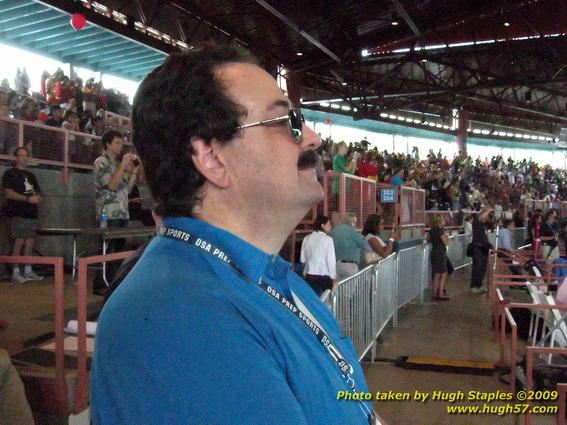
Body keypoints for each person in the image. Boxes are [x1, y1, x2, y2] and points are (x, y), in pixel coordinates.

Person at [90, 45, 376, 424]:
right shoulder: (177, 319)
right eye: (284, 122)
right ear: (212, 158)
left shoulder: (272, 276)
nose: (311, 138)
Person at [92, 130, 138, 296]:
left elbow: (128, 189)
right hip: (108, 212)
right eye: (117, 142)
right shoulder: (101, 162)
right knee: (106, 248)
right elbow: (111, 185)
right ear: (107, 144)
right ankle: (100, 282)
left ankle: (113, 281)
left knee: (118, 249)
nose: (120, 146)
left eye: (121, 142)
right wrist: (122, 166)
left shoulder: (118, 164)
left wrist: (133, 172)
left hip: (121, 212)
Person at [2, 147, 44, 284]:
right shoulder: (10, 173)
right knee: (18, 241)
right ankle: (15, 271)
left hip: (31, 212)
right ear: (16, 158)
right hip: (18, 212)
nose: (24, 158)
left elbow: (38, 191)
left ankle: (28, 269)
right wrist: (27, 199)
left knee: (30, 241)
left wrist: (38, 198)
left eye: (26, 155)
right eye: (21, 155)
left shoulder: (31, 175)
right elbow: (9, 193)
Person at [300, 215, 336, 296]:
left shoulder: (307, 238)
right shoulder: (328, 239)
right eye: (329, 224)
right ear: (322, 225)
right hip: (324, 278)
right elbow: (331, 261)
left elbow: (302, 259)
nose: (331, 226)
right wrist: (333, 277)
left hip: (309, 276)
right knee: (324, 302)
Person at [330, 212, 367, 280]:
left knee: (337, 289)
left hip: (336, 265)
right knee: (349, 289)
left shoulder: (333, 231)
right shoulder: (352, 232)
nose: (355, 224)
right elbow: (364, 244)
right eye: (355, 222)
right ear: (352, 221)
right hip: (350, 265)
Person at [470, 208, 494, 294]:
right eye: (487, 215)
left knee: (483, 268)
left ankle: (479, 284)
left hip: (484, 248)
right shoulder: (476, 221)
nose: (487, 216)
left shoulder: (483, 224)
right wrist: (489, 209)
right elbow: (482, 216)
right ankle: (474, 286)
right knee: (477, 267)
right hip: (477, 248)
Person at [427, 216, 449, 300]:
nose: (444, 222)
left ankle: (434, 293)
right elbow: (446, 242)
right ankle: (440, 294)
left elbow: (428, 239)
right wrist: (446, 236)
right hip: (440, 253)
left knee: (436, 273)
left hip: (434, 252)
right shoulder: (441, 231)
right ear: (440, 222)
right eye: (443, 221)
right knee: (443, 273)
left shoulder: (431, 231)